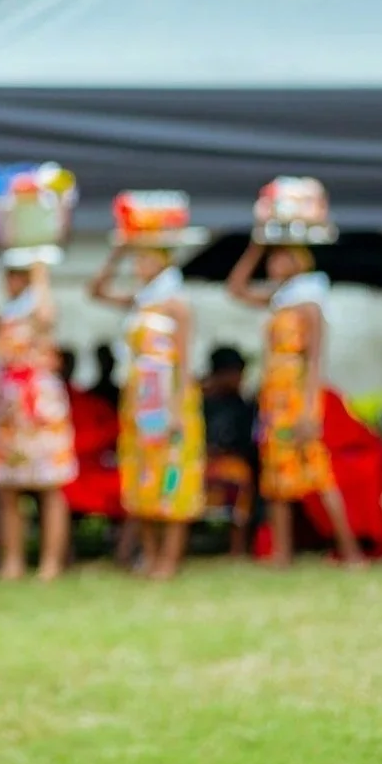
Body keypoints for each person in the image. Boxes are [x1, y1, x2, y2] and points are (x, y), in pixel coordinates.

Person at [227, 241, 365, 566]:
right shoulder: (279, 300)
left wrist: (308, 408)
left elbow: (316, 359)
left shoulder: (309, 302)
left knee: (317, 472)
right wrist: (255, 248)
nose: (274, 263)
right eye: (272, 257)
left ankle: (350, 551)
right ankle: (281, 552)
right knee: (276, 477)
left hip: (297, 395)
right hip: (273, 399)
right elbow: (236, 288)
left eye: (280, 256)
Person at [90, 244, 204, 580]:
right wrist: (117, 254)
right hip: (140, 397)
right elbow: (95, 291)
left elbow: (184, 362)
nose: (140, 265)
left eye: (146, 257)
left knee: (172, 474)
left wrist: (177, 409)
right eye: (138, 258)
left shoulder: (176, 304)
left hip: (168, 393)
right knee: (143, 474)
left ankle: (169, 559)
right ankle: (150, 556)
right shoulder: (141, 301)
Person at [0, 255, 77, 580]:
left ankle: (50, 563)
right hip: (7, 404)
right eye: (9, 275)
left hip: (38, 404)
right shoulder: (4, 313)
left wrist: (40, 273)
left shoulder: (37, 309)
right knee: (7, 487)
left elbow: (46, 316)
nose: (11, 281)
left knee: (50, 485)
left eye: (18, 275)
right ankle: (13, 560)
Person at [199, 347, 258, 556]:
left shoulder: (243, 405)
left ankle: (237, 549)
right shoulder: (197, 401)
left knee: (239, 475)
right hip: (198, 461)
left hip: (231, 462)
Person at [58, 346, 123, 523]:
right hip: (63, 473)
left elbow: (118, 428)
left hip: (91, 469)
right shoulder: (43, 404)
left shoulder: (91, 403)